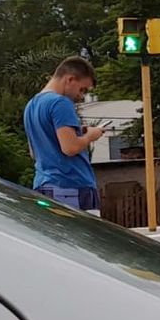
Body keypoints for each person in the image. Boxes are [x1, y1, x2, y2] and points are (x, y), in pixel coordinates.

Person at [24, 56, 104, 213]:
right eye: (82, 89)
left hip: (44, 184)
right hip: (72, 187)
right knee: (83, 237)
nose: (81, 96)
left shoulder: (32, 105)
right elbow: (70, 148)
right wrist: (90, 136)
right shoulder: (60, 103)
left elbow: (34, 152)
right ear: (70, 79)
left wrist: (76, 132)